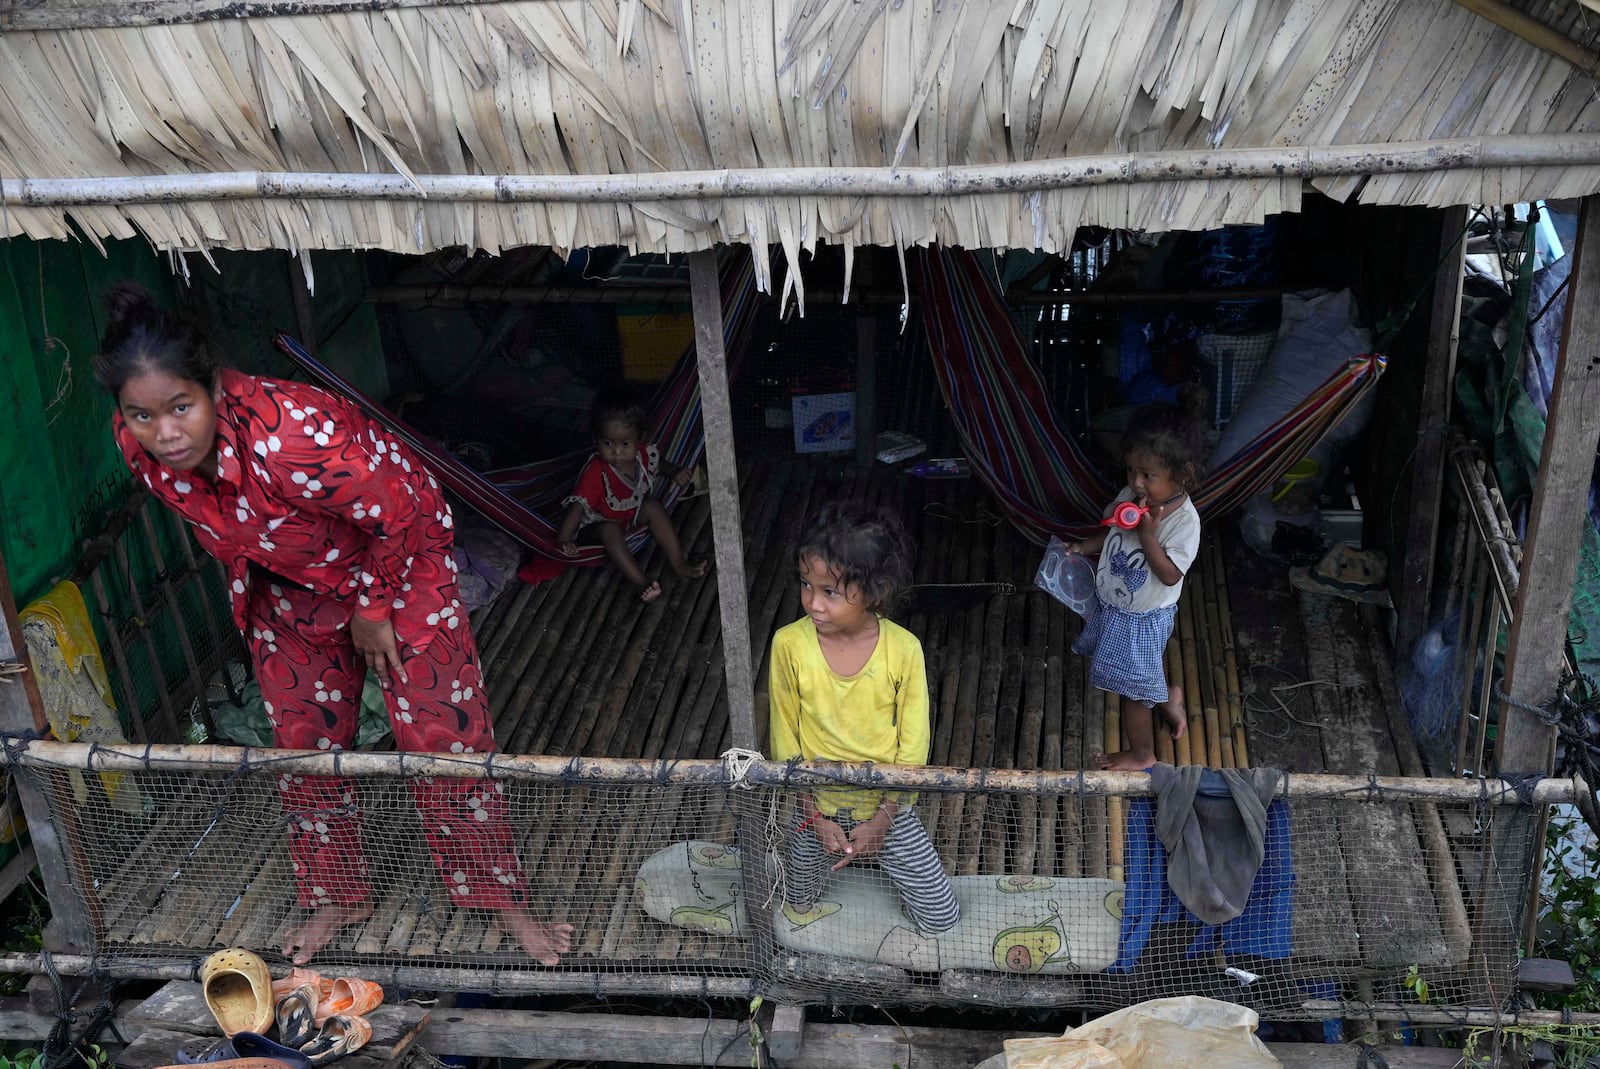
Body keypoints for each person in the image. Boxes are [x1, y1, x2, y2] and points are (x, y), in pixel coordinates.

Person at [95, 283, 574, 966]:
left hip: (398, 569)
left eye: (181, 406)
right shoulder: (135, 444)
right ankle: (339, 891)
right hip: (288, 588)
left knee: (443, 738)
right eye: (142, 414)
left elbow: (406, 506)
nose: (165, 432)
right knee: (304, 746)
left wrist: (373, 607)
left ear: (215, 388)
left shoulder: (289, 437)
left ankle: (501, 901)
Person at [767, 502, 960, 936]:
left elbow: (913, 746)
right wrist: (813, 816)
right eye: (806, 585)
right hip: (813, 810)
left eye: (830, 592)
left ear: (873, 593)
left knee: (941, 919)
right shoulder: (789, 645)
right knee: (796, 904)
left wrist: (884, 819)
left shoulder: (904, 649)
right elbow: (784, 739)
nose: (813, 603)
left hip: (888, 810)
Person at [1065, 402, 1205, 771]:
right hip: (1116, 605)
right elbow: (1112, 531)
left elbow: (1170, 574)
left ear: (1184, 476)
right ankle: (1168, 698)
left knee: (1131, 691)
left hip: (1141, 619)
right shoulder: (1132, 499)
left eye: (1148, 475)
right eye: (1131, 470)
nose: (1136, 483)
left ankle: (1142, 753)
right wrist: (1084, 548)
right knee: (1142, 672)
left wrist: (1147, 535)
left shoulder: (1185, 524)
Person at [555, 387, 706, 603]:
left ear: (639, 439)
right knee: (609, 530)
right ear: (596, 440)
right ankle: (640, 583)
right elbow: (577, 507)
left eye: (625, 444)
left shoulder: (642, 454)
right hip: (594, 528)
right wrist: (564, 539)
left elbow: (658, 465)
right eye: (608, 443)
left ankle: (679, 564)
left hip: (628, 519)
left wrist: (673, 471)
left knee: (652, 506)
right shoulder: (596, 470)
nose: (617, 451)